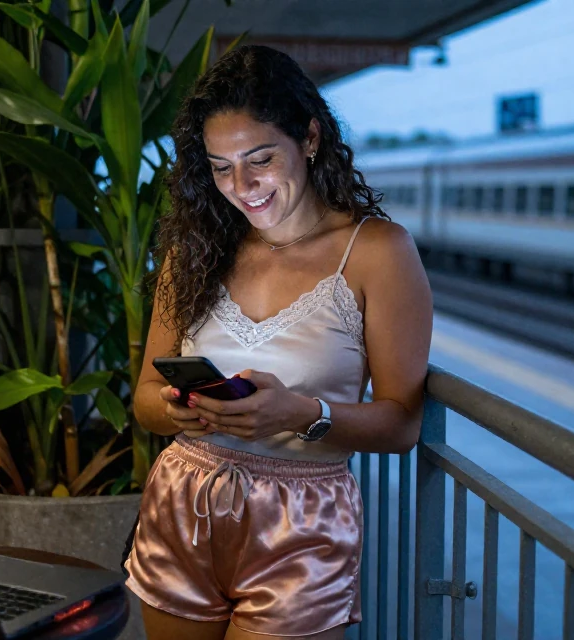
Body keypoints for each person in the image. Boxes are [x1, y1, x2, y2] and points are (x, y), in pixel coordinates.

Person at [125, 46, 433, 640]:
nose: (242, 186)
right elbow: (142, 400)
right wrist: (175, 407)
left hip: (302, 525)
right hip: (182, 502)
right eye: (219, 167)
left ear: (310, 139)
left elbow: (402, 425)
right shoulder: (194, 251)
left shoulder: (378, 252)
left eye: (259, 159)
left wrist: (298, 413)